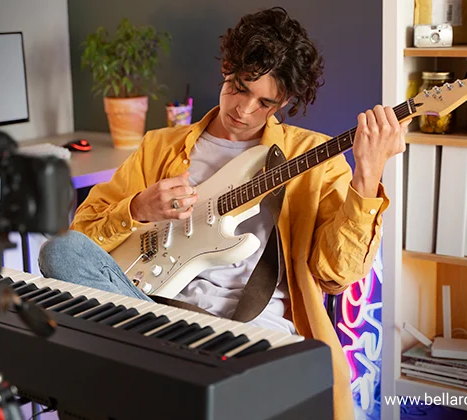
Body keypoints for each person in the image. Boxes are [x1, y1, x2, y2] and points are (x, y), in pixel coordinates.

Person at [39, 7, 407, 419]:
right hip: (150, 309)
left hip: (249, 333)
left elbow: (335, 277)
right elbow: (83, 236)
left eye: (265, 101)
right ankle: (169, 370)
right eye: (238, 87)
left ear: (283, 101)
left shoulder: (313, 158)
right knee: (59, 250)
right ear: (228, 68)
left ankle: (167, 376)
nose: (244, 110)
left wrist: (368, 176)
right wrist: (139, 208)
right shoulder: (159, 146)